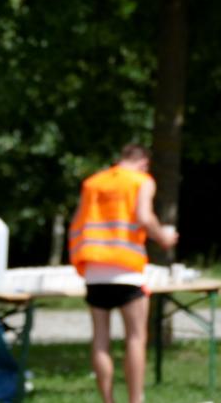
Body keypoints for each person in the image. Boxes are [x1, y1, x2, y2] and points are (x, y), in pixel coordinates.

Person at [69, 144, 178, 403]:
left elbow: (76, 224)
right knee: (136, 338)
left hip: (94, 269)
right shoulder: (141, 180)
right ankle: (135, 400)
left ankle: (108, 400)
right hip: (127, 267)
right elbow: (144, 216)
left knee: (100, 340)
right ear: (143, 162)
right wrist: (163, 237)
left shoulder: (93, 183)